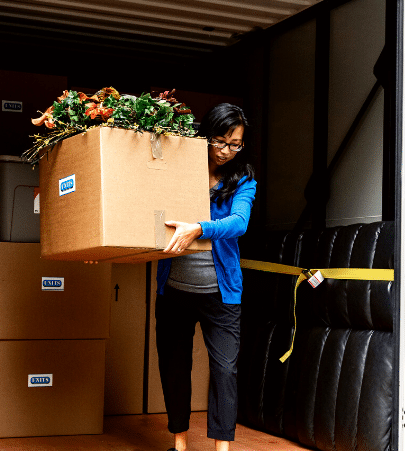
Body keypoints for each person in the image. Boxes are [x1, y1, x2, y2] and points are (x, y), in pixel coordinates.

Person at [155, 103, 257, 451]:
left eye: (236, 144)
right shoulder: (180, 169)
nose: (227, 151)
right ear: (206, 135)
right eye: (221, 141)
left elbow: (239, 223)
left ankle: (221, 449)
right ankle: (180, 444)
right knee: (175, 366)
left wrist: (200, 227)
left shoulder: (243, 180)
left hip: (220, 293)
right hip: (175, 290)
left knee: (225, 371)